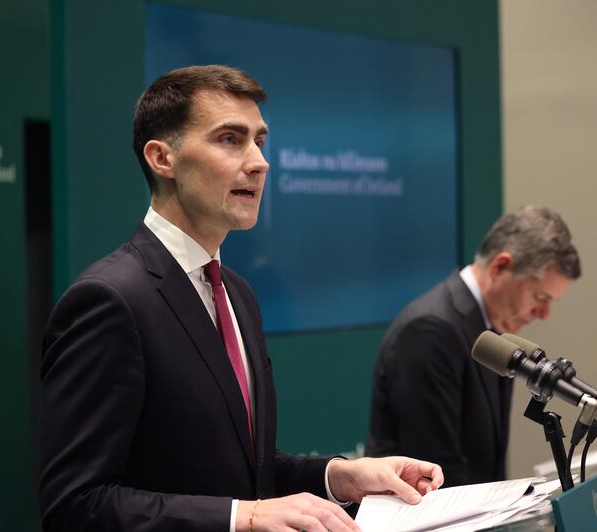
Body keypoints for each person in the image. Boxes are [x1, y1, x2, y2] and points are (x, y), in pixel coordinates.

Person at [38, 65, 443, 532]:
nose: (259, 161)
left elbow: (239, 469)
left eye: (260, 141)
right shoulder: (108, 300)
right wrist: (242, 517)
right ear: (161, 158)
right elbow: (75, 505)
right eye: (230, 139)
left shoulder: (237, 293)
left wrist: (341, 476)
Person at [366, 206, 581, 487]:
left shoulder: (495, 334)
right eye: (540, 297)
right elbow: (437, 473)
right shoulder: (430, 331)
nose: (544, 314)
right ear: (500, 266)